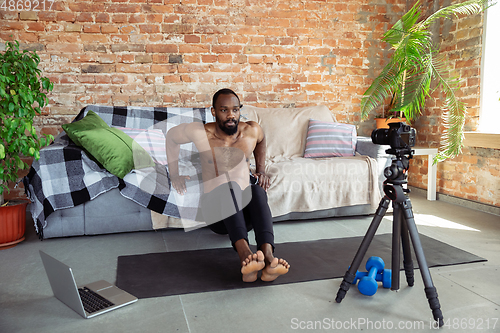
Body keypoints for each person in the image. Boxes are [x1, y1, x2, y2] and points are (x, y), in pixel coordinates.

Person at [166, 88, 289, 282]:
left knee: (256, 190)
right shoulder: (200, 133)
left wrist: (262, 170)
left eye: (235, 109)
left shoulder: (251, 130)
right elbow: (171, 137)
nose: (231, 115)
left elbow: (262, 140)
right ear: (214, 111)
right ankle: (245, 257)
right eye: (224, 110)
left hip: (245, 214)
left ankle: (267, 256)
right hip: (216, 214)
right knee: (229, 186)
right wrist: (174, 174)